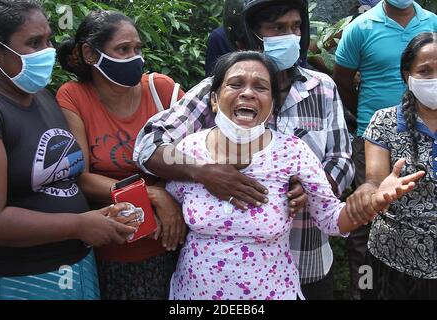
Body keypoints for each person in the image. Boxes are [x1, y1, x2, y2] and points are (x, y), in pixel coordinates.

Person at [134, 0, 355, 300]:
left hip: (305, 257)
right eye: (277, 28)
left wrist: (316, 188)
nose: (290, 36)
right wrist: (201, 172)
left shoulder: (323, 88)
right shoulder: (216, 89)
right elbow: (149, 144)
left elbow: (341, 158)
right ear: (249, 35)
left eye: (295, 27)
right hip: (213, 281)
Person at [165, 50, 424, 300]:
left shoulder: (292, 152)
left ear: (272, 107)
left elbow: (332, 219)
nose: (247, 93)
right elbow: (170, 202)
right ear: (213, 98)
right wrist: (156, 195)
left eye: (260, 87)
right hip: (193, 292)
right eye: (235, 84)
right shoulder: (189, 150)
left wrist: (370, 203)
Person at [0, 0, 136, 300]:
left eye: (48, 40)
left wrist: (100, 217)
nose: (47, 51)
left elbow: (64, 179)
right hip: (24, 279)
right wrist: (78, 224)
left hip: (77, 266)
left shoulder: (41, 97)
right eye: (34, 43)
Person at [56, 10, 186, 300]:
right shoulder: (74, 96)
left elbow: (200, 153)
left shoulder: (161, 90)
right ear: (91, 54)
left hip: (172, 241)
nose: (135, 58)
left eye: (138, 49)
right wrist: (152, 194)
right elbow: (81, 176)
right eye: (123, 49)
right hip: (113, 250)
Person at [333, 0, 437, 300]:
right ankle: (359, 290)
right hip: (393, 258)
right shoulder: (385, 122)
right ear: (407, 76)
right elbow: (374, 180)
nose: (432, 79)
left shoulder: (431, 20)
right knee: (362, 236)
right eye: (425, 71)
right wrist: (373, 192)